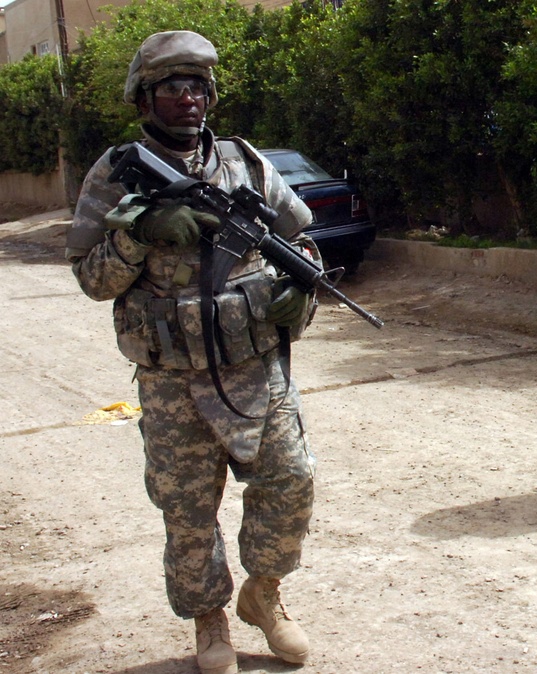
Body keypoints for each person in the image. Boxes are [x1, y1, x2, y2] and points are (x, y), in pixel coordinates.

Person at [65, 30, 318, 674]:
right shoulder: (115, 172)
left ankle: (264, 595)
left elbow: (300, 241)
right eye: (172, 87)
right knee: (187, 510)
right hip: (172, 379)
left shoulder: (244, 162)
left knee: (291, 480)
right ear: (144, 98)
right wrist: (140, 234)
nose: (188, 99)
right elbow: (93, 280)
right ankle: (210, 620)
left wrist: (300, 287)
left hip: (255, 366)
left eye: (198, 87)